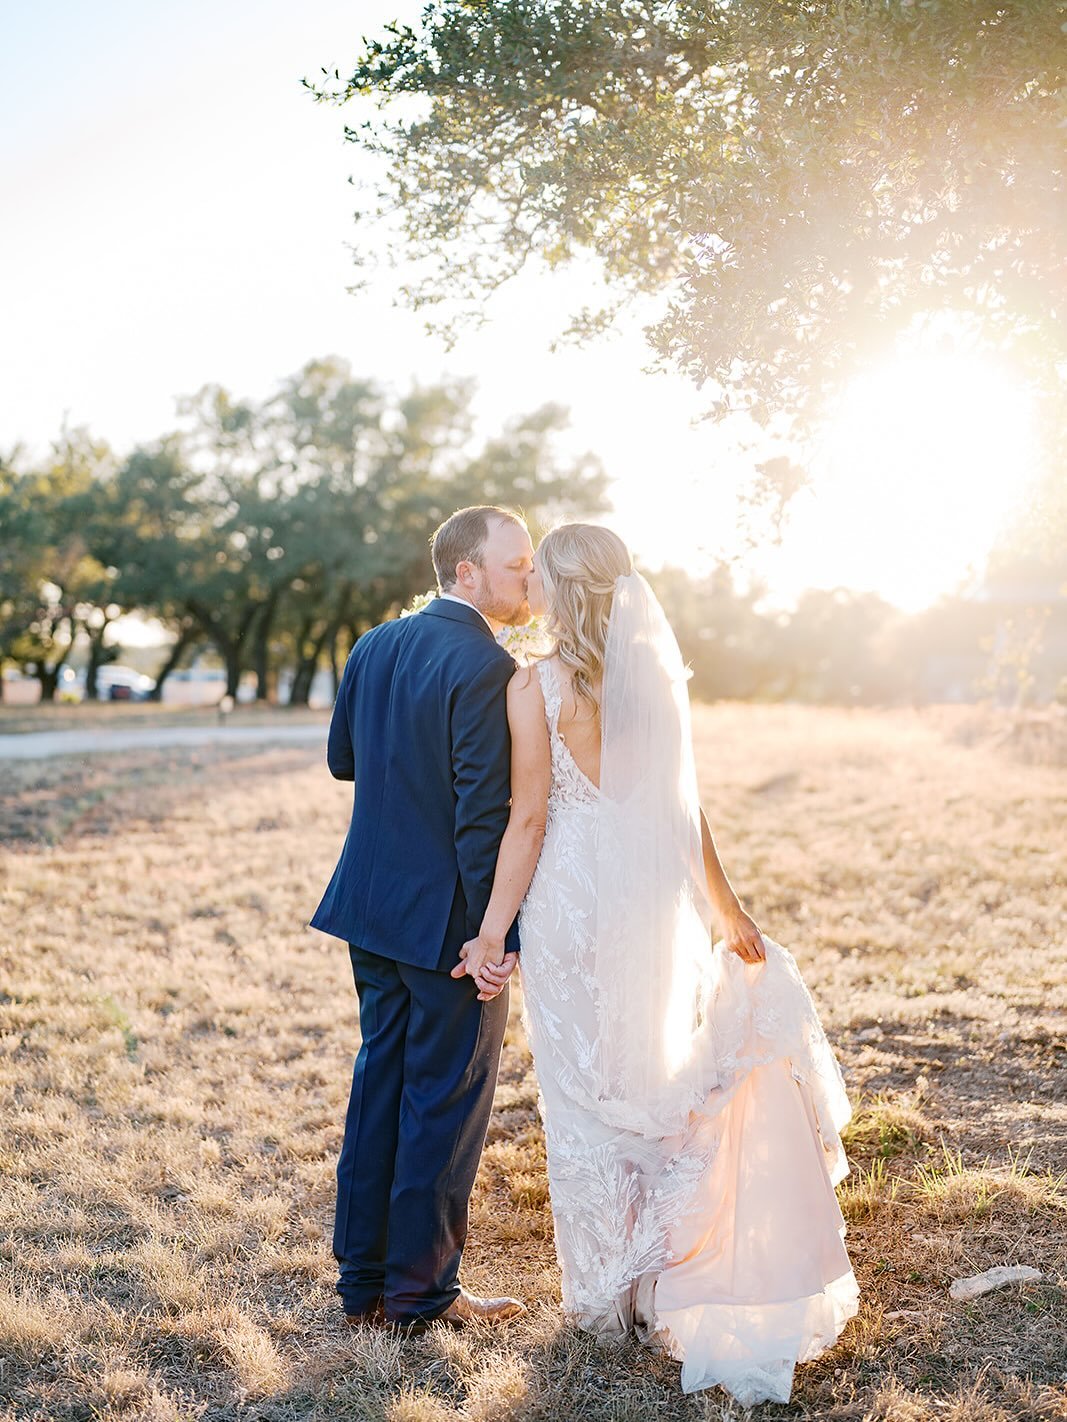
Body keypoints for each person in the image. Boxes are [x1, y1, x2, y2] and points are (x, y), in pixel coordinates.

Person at [457, 523, 859, 1405]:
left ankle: (604, 1296)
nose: (530, 586)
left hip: (570, 906)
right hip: (650, 903)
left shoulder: (534, 685)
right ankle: (656, 1282)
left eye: (539, 575)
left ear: (563, 591)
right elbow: (685, 810)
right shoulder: (653, 681)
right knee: (651, 1076)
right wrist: (726, 908)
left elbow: (529, 819)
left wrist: (491, 932)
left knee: (583, 1096)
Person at [309, 505, 532, 1333]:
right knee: (443, 1103)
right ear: (466, 571)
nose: (527, 578)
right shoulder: (487, 664)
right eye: (515, 564)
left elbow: (343, 761)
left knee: (380, 1085)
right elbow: (482, 814)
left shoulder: (373, 643)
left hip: (370, 907)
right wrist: (492, 937)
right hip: (448, 929)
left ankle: (363, 1283)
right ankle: (419, 1295)